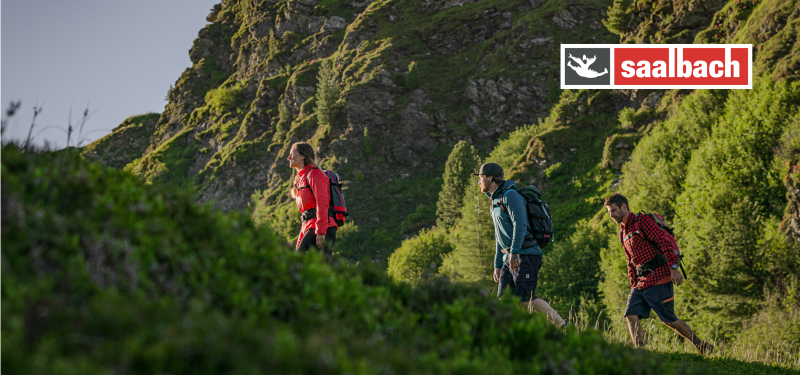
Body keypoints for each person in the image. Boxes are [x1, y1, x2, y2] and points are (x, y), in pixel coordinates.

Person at [604, 193, 713, 354]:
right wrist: (633, 283)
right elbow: (630, 261)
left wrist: (674, 268)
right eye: (609, 212)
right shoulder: (622, 233)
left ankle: (700, 345)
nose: (611, 215)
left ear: (624, 207)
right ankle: (640, 352)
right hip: (640, 283)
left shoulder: (642, 221)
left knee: (669, 319)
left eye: (613, 210)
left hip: (659, 277)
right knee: (631, 314)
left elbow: (664, 241)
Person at [473, 162, 567, 327]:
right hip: (509, 258)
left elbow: (520, 224)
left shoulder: (510, 196)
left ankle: (563, 326)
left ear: (489, 178)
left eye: (480, 178)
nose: (478, 183)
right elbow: (499, 236)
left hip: (526, 254)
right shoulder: (494, 202)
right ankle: (513, 333)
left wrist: (515, 252)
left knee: (526, 298)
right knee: (504, 299)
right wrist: (497, 264)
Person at [288, 142, 337, 255]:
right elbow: (307, 214)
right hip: (310, 226)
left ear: (302, 156)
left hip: (321, 227)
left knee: (300, 262)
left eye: (292, 154)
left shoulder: (314, 174)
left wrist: (320, 231)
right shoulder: (301, 178)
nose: (289, 157)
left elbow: (322, 203)